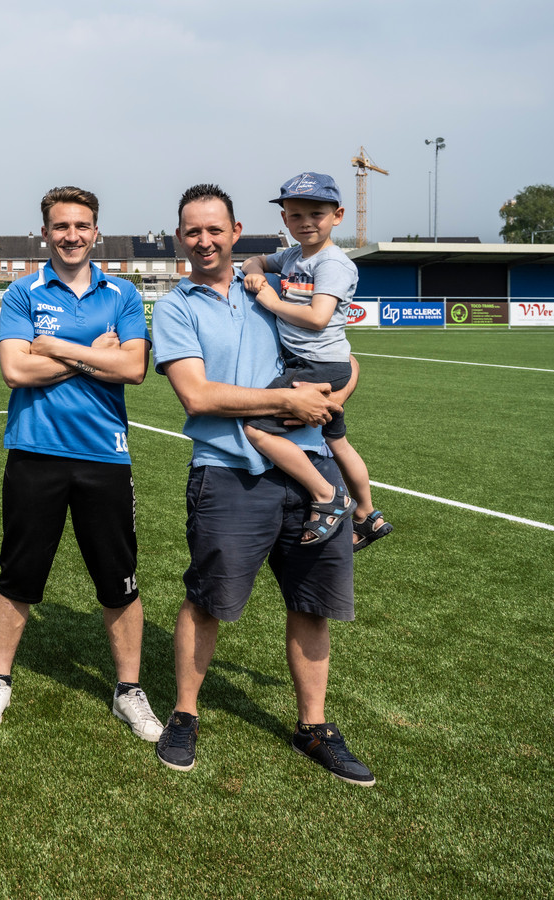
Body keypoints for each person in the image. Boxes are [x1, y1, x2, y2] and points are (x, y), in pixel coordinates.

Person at [149, 183, 375, 785]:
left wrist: (333, 398)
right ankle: (185, 713)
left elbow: (339, 353)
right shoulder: (176, 306)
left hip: (309, 468)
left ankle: (314, 726)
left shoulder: (273, 287)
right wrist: (284, 399)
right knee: (208, 601)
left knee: (313, 603)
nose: (204, 240)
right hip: (226, 472)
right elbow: (197, 395)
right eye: (192, 231)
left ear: (235, 231)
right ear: (180, 238)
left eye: (215, 230)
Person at [0, 185, 160, 742]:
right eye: (60, 226)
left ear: (96, 231)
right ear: (45, 233)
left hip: (105, 455)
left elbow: (135, 370)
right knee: (18, 574)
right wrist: (93, 356)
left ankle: (129, 690)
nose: (71, 235)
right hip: (35, 452)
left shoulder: (122, 293)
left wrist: (54, 348)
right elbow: (15, 372)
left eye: (81, 226)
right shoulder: (22, 293)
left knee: (118, 580)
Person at [240, 172, 392, 550]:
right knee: (336, 440)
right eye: (295, 215)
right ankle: (367, 514)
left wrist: (270, 301)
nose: (305, 222)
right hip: (321, 362)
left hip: (316, 365)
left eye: (316, 213)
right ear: (284, 220)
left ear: (337, 215)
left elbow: (318, 317)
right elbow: (253, 259)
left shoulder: (333, 264)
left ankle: (327, 497)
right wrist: (257, 272)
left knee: (255, 428)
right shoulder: (292, 256)